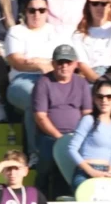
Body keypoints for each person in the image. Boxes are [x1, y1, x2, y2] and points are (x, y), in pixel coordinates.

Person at [6, 0, 65, 154]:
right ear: (25, 12)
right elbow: (17, 62)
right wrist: (42, 64)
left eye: (41, 10)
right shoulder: (16, 31)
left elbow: (66, 61)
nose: (37, 14)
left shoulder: (57, 32)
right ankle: (34, 153)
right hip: (22, 80)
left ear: (47, 12)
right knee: (36, 100)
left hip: (54, 79)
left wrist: (36, 61)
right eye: (32, 10)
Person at [33, 44, 92, 192]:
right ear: (53, 64)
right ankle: (40, 194)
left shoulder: (82, 83)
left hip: (77, 135)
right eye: (60, 62)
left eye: (68, 62)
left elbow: (87, 113)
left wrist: (79, 136)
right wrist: (60, 138)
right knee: (45, 166)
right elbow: (40, 116)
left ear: (75, 64)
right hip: (51, 136)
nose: (64, 66)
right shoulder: (43, 82)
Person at [68, 79, 111, 188]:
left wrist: (109, 173)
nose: (104, 100)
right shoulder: (88, 120)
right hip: (85, 172)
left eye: (109, 97)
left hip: (106, 173)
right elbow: (71, 149)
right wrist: (91, 172)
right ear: (94, 99)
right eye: (100, 97)